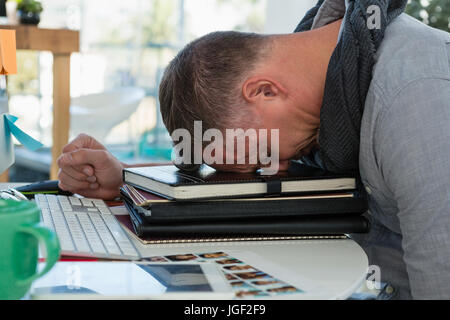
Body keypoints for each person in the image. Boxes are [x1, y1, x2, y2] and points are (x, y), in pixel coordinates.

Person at [58, 0, 450, 299]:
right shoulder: (331, 82)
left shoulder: (416, 97)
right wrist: (126, 180)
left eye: (258, 158)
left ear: (265, 90)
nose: (277, 168)